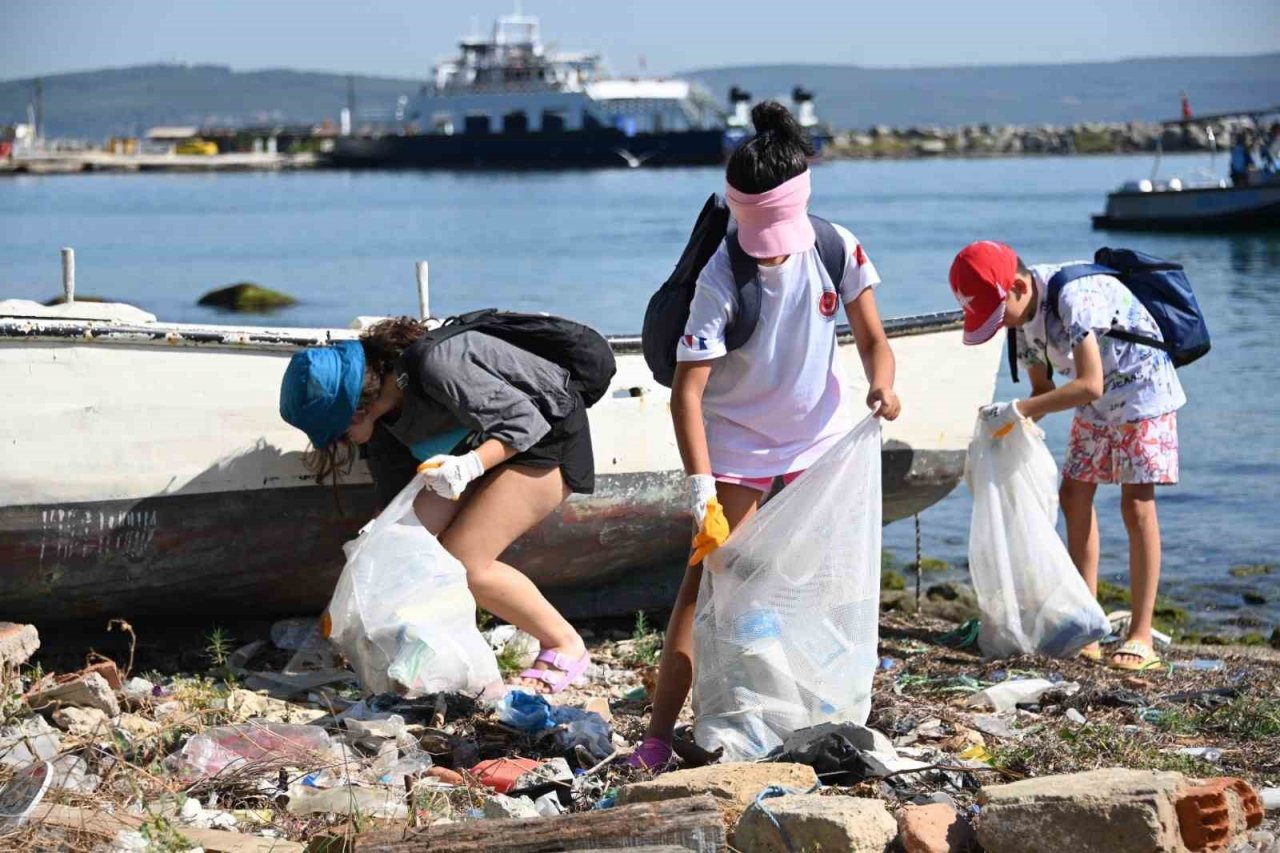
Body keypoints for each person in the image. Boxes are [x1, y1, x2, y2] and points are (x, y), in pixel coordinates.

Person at [629, 101, 901, 771]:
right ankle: (660, 735)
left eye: (777, 230)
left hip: (817, 443)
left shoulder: (837, 246)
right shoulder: (723, 275)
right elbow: (686, 393)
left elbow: (874, 341)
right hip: (738, 449)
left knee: (818, 585)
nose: (771, 248)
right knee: (703, 591)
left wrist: (882, 386)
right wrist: (703, 495)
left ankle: (805, 708)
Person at [279, 317, 593, 693]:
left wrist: (471, 465)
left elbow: (526, 422)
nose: (335, 444)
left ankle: (565, 645)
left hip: (545, 440)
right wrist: (370, 553)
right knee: (392, 550)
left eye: (334, 433)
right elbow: (397, 510)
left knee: (464, 563)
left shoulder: (435, 365)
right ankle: (415, 658)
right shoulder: (382, 430)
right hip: (470, 454)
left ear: (357, 408)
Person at [949, 241, 1186, 671]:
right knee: (1074, 496)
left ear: (1019, 287)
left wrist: (1020, 410)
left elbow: (1089, 382)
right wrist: (1009, 427)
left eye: (998, 315)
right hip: (1095, 403)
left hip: (1142, 391)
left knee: (1136, 506)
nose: (999, 325)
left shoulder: (1074, 296)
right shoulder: (1020, 320)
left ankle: (1141, 633)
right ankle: (1086, 618)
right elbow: (1042, 392)